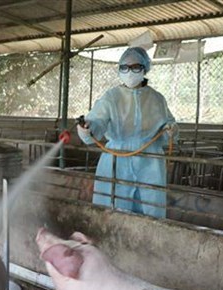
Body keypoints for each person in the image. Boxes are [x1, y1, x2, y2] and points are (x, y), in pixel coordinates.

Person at [77, 46, 179, 219]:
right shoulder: (111, 97)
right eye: (124, 67)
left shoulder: (157, 99)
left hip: (149, 161)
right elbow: (97, 124)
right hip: (117, 158)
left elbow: (168, 129)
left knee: (150, 208)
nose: (129, 72)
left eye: (135, 67)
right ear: (119, 69)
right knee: (112, 206)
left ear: (145, 69)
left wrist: (171, 130)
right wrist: (87, 128)